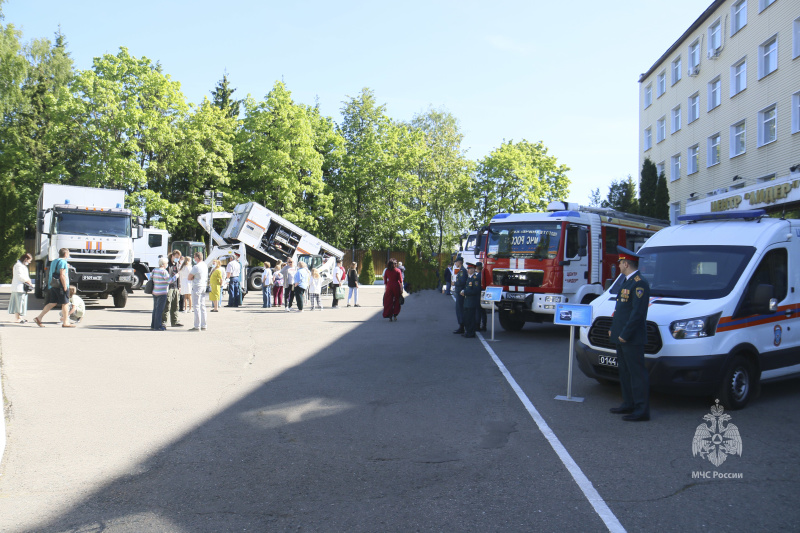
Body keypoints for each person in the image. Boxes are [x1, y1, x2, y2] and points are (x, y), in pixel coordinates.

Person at [608, 246, 651, 422]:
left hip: (631, 338)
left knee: (636, 374)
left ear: (625, 263)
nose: (618, 266)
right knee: (624, 372)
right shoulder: (627, 281)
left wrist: (625, 333)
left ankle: (641, 409)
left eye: (620, 263)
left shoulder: (639, 283)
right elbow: (620, 309)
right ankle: (628, 403)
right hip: (622, 335)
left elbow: (637, 313)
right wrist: (614, 327)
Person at [34, 248, 74, 328]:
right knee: (65, 303)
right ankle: (66, 322)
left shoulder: (54, 261)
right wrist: (65, 286)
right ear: (65, 254)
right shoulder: (63, 262)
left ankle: (39, 318)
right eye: (68, 253)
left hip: (53, 285)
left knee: (52, 303)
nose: (68, 255)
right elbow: (62, 275)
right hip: (61, 286)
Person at [9, 253, 33, 323]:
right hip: (18, 287)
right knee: (19, 303)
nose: (29, 262)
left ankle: (19, 317)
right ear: (25, 259)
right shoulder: (18, 266)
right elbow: (20, 276)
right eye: (29, 260)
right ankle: (18, 318)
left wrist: (29, 281)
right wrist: (28, 281)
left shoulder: (22, 266)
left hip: (21, 287)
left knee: (20, 303)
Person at [161, 250, 183, 328]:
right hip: (169, 287)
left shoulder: (177, 264)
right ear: (172, 256)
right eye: (176, 257)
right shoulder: (167, 264)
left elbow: (178, 275)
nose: (177, 259)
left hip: (175, 287)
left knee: (176, 305)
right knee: (167, 305)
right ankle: (164, 322)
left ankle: (175, 321)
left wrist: (179, 286)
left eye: (178, 257)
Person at [188, 252, 208, 331]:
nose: (194, 259)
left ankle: (197, 325)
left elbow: (189, 277)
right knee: (202, 306)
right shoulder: (204, 265)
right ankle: (204, 325)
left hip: (197, 286)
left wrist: (193, 277)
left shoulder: (196, 267)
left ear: (197, 258)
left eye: (194, 257)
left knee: (196, 306)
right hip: (203, 285)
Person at [150, 257, 170, 331]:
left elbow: (151, 278)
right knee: (159, 310)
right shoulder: (164, 271)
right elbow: (169, 280)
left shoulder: (154, 270)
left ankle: (153, 325)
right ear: (164, 264)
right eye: (166, 263)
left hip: (155, 291)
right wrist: (176, 276)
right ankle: (158, 326)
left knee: (155, 309)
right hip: (162, 292)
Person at [462, 262, 481, 338]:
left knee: (471, 318)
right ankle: (468, 331)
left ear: (473, 269)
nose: (468, 270)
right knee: (466, 317)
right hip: (467, 301)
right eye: (468, 269)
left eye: (470, 269)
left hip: (472, 301)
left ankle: (471, 332)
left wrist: (465, 292)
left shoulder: (475, 279)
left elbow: (476, 290)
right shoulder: (469, 278)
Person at [451, 257, 467, 334]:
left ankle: (462, 326)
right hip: (459, 292)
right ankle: (461, 326)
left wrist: (455, 283)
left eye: (456, 262)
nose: (455, 263)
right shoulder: (461, 271)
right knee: (459, 309)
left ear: (459, 262)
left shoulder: (462, 271)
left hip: (460, 292)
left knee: (460, 309)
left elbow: (462, 282)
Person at [475, 262, 487, 332]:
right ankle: (484, 325)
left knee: (478, 310)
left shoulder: (478, 276)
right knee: (483, 311)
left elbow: (477, 286)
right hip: (483, 293)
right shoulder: (483, 275)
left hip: (478, 294)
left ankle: (478, 325)